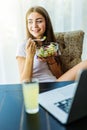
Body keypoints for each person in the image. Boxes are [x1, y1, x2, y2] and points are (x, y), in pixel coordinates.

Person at [16, 6, 87, 83]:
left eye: (39, 21)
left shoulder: (52, 45)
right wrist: (30, 56)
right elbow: (24, 82)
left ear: (46, 23)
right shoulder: (23, 46)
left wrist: (51, 60)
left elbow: (59, 76)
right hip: (39, 87)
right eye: (30, 22)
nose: (34, 25)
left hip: (56, 84)